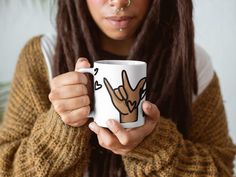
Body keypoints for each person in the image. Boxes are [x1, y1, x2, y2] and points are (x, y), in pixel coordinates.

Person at [0, 0, 235, 176]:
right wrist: (61, 127)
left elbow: (221, 169)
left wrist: (152, 145)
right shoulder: (43, 56)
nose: (120, 2)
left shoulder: (190, 61)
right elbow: (6, 167)